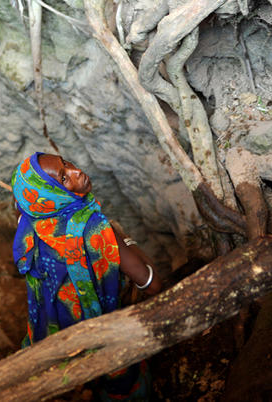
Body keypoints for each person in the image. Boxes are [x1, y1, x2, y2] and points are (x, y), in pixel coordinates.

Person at [11, 152, 162, 400]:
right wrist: (123, 239)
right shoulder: (97, 230)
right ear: (50, 195)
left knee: (80, 370)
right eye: (64, 177)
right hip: (98, 326)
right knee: (120, 375)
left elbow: (17, 202)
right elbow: (152, 283)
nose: (76, 172)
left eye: (66, 163)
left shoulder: (27, 219)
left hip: (57, 326)